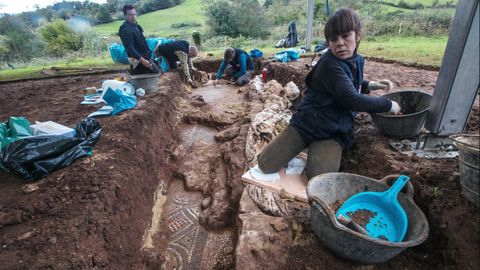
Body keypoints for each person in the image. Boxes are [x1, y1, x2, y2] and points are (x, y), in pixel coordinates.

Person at [257, 8, 401, 180]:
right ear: (328, 42)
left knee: (318, 179)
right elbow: (351, 99)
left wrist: (370, 84)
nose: (340, 43)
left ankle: (317, 149)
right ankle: (301, 145)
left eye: (346, 36)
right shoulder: (329, 65)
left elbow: (346, 84)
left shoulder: (355, 60)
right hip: (307, 124)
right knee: (265, 164)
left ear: (358, 35)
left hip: (333, 130)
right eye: (333, 39)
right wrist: (388, 105)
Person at [119, 5, 158, 75]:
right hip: (138, 61)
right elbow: (130, 48)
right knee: (153, 75)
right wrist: (142, 60)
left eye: (134, 14)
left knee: (158, 71)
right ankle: (135, 72)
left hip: (146, 58)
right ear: (125, 16)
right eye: (130, 15)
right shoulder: (125, 29)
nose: (133, 17)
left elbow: (143, 43)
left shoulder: (138, 27)